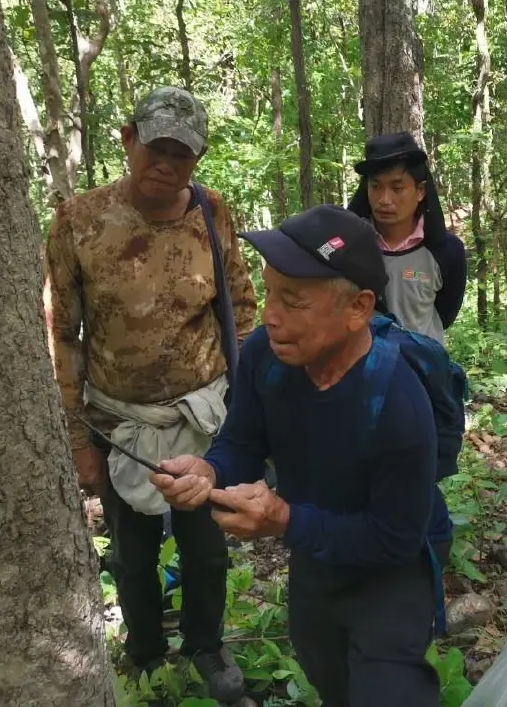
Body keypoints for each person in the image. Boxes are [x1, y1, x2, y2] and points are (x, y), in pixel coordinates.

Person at [151, 205, 451, 707]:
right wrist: (209, 470)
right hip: (316, 548)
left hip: (395, 562)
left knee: (389, 690)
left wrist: (285, 520)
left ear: (358, 308)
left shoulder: (396, 402)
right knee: (324, 665)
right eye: (269, 291)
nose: (270, 315)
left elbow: (394, 537)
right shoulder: (268, 356)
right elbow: (244, 442)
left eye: (293, 300)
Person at [44, 86, 255, 701]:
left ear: (197, 159)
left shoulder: (213, 211)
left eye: (181, 154)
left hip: (203, 416)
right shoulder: (78, 220)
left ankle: (206, 648)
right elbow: (61, 333)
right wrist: (79, 438)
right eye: (155, 146)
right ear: (128, 139)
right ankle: (144, 654)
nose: (166, 163)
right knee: (133, 557)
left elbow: (240, 310)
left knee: (207, 552)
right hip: (119, 423)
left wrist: (250, 413)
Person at [347, 132, 467, 342]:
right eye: (375, 186)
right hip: (364, 368)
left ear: (420, 191)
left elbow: (445, 314)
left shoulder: (446, 251)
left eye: (397, 188)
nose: (384, 200)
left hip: (422, 368)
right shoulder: (349, 245)